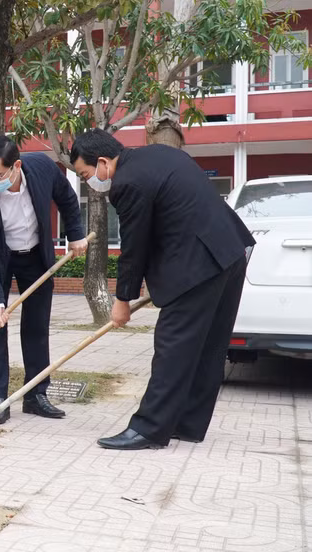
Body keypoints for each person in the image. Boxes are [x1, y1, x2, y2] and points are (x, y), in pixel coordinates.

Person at [70, 129, 254, 450]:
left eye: (86, 175)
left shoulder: (127, 182)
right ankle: (187, 423)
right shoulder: (160, 154)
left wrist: (122, 300)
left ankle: (149, 429)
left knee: (173, 346)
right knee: (208, 347)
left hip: (199, 265)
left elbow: (134, 246)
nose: (90, 183)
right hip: (230, 252)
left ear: (102, 162)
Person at [0, 135, 88, 424]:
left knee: (36, 326)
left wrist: (75, 234)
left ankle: (35, 395)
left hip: (35, 256)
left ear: (16, 166)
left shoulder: (42, 168)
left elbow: (67, 197)